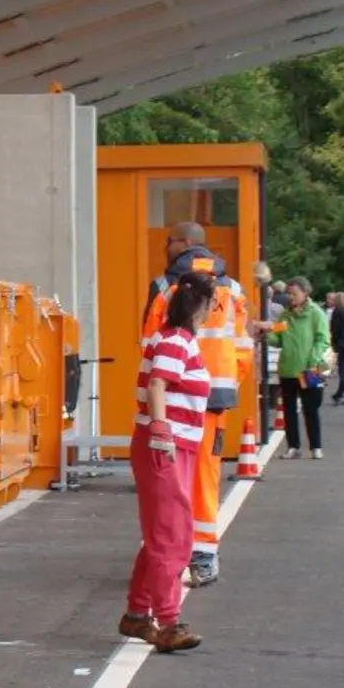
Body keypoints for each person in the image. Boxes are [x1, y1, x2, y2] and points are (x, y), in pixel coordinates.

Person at [140, 222, 252, 589]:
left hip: (170, 399)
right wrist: (226, 384)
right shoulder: (233, 289)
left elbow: (149, 345)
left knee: (167, 479)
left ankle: (168, 553)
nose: (165, 247)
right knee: (205, 475)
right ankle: (203, 554)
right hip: (212, 400)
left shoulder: (164, 287)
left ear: (185, 243)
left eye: (169, 241)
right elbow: (244, 348)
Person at [119, 271, 216, 654]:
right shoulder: (177, 341)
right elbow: (158, 383)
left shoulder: (172, 338)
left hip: (170, 445)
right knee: (172, 536)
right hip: (167, 446)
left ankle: (139, 614)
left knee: (163, 533)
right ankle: (169, 621)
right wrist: (162, 429)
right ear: (204, 306)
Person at [259, 277, 331, 459]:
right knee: (288, 409)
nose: (291, 297)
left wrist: (313, 359)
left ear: (305, 293)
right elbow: (280, 338)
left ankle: (316, 446)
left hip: (311, 368)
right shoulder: (286, 315)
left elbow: (323, 339)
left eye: (294, 294)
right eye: (289, 294)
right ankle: (293, 445)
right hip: (288, 368)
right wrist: (267, 335)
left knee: (311, 408)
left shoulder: (316, 313)